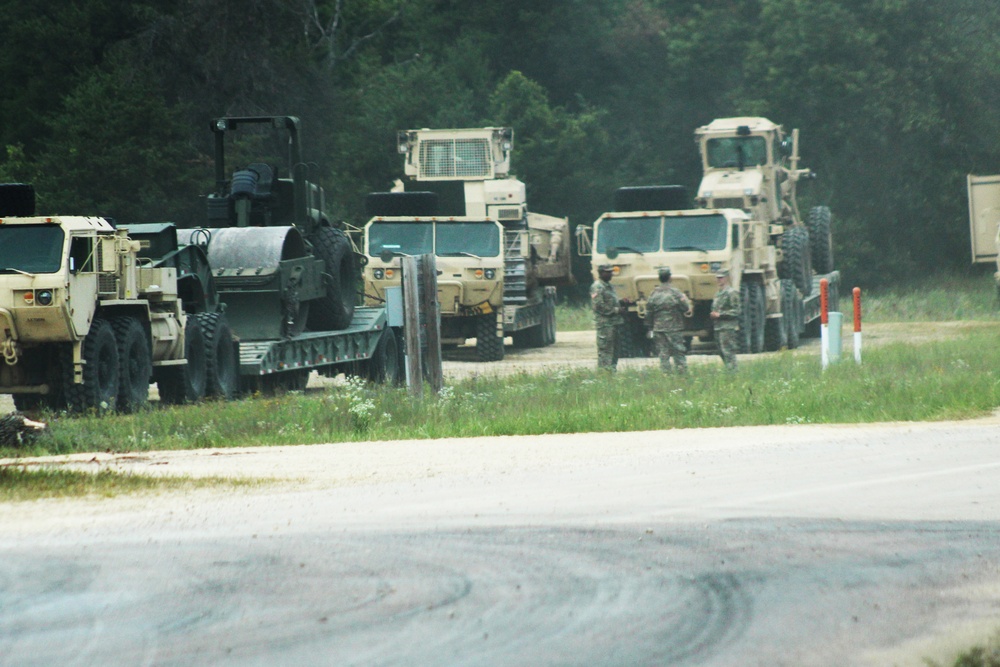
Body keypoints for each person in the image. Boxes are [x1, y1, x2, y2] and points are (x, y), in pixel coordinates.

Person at [644, 268, 693, 373]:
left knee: (663, 353)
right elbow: (685, 308)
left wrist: (650, 327)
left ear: (659, 278)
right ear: (670, 278)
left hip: (659, 328)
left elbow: (649, 312)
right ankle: (682, 373)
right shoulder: (675, 292)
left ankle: (666, 374)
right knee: (678, 351)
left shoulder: (653, 293)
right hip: (674, 327)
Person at [591, 264, 623, 370]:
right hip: (605, 325)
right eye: (608, 272)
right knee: (605, 350)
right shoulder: (597, 287)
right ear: (601, 273)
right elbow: (598, 306)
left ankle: (612, 371)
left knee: (615, 350)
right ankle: (604, 373)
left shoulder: (608, 286)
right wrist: (616, 310)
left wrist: (622, 303)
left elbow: (610, 301)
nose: (610, 274)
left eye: (611, 272)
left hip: (614, 323)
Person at [710, 270, 740, 371]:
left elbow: (736, 311)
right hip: (718, 327)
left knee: (728, 351)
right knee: (721, 352)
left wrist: (721, 315)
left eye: (721, 277)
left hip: (727, 327)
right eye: (717, 278)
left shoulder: (732, 293)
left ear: (727, 278)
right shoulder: (718, 293)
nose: (719, 280)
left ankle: (733, 372)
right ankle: (729, 370)